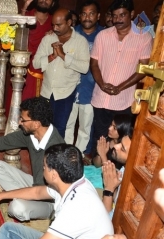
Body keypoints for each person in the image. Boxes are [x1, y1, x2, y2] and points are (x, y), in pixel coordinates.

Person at [0, 144, 113, 239]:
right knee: (8, 230)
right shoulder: (74, 182)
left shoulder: (77, 205)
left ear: (54, 175)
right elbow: (37, 192)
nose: (42, 169)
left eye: (44, 166)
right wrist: (0, 196)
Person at [90, 0, 152, 157]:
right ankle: (98, 173)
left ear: (131, 14)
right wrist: (102, 84)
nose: (117, 19)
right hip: (101, 99)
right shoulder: (103, 36)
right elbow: (94, 64)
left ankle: (116, 174)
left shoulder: (143, 38)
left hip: (124, 101)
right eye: (114, 15)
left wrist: (120, 87)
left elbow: (143, 69)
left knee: (121, 142)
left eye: (122, 15)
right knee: (100, 139)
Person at [33, 8, 90, 138]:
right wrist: (52, 56)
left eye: (59, 24)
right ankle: (41, 156)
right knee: (41, 128)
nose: (55, 28)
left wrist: (63, 55)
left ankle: (55, 158)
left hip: (65, 93)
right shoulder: (48, 39)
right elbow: (36, 63)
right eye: (53, 24)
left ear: (69, 22)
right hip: (46, 92)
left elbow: (84, 67)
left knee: (59, 129)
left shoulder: (80, 42)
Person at [65, 0, 104, 158]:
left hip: (92, 89)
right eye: (84, 13)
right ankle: (66, 154)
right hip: (70, 87)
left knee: (85, 126)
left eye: (92, 13)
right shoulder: (71, 33)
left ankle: (79, 156)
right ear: (79, 16)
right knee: (67, 124)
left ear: (98, 16)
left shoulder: (104, 35)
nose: (87, 17)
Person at [7, 0, 57, 107]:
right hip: (22, 68)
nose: (44, 0)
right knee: (19, 102)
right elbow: (14, 31)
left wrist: (55, 33)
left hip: (45, 70)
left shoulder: (55, 22)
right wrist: (24, 8)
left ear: (53, 3)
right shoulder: (26, 15)